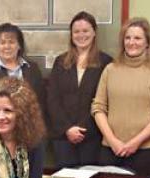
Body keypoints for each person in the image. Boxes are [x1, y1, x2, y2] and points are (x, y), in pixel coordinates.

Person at [91, 17, 150, 176]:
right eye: (127, 38)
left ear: (147, 42)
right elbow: (98, 107)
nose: (132, 42)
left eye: (137, 38)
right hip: (111, 149)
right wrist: (113, 141)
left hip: (146, 150)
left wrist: (135, 143)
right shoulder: (110, 69)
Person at [47, 11, 113, 169]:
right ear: (71, 35)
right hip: (63, 137)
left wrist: (83, 130)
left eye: (85, 31)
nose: (81, 35)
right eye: (76, 31)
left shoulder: (107, 62)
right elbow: (52, 99)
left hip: (92, 137)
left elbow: (106, 101)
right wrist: (68, 129)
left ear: (94, 32)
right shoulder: (60, 62)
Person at [0, 23, 45, 109]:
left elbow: (41, 101)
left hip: (28, 120)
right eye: (2, 43)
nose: (7, 47)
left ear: (19, 45)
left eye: (11, 42)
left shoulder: (33, 68)